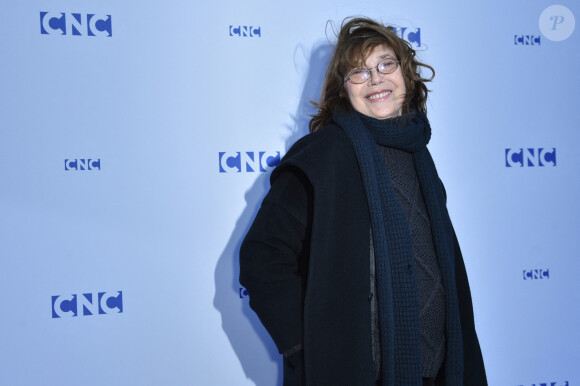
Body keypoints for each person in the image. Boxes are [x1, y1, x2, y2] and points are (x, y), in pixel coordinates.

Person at [239, 17, 487, 386]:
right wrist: (305, 347)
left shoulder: (419, 152)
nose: (375, 79)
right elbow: (262, 257)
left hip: (437, 373)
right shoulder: (321, 156)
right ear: (343, 89)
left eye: (386, 64)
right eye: (358, 71)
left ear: (406, 74)